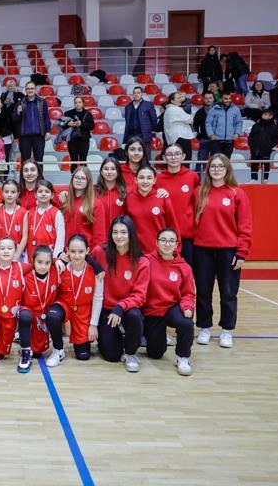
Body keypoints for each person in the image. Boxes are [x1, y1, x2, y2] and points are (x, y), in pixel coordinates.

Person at [194, 154, 253, 349]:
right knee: (203, 292)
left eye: (220, 166)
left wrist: (242, 251)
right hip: (202, 250)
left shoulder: (237, 194)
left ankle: (227, 330)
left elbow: (245, 225)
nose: (216, 169)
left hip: (228, 251)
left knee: (228, 293)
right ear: (208, 170)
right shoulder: (199, 193)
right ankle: (204, 327)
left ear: (227, 169)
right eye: (213, 166)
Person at [90, 216, 148, 372]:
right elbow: (83, 261)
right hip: (106, 309)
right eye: (115, 232)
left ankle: (130, 353)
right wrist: (63, 258)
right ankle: (118, 334)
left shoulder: (141, 261)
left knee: (135, 316)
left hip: (127, 308)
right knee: (112, 355)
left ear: (131, 234)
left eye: (123, 232)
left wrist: (121, 307)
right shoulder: (100, 252)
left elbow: (140, 295)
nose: (119, 236)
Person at [143, 228, 196, 376]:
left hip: (172, 308)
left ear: (177, 244)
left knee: (186, 323)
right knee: (155, 353)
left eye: (171, 241)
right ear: (157, 243)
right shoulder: (146, 261)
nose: (167, 244)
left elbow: (188, 293)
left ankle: (183, 357)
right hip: (152, 311)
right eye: (163, 240)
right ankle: (159, 337)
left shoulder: (184, 267)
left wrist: (188, 307)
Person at [45, 235, 104, 366]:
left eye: (81, 251)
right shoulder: (61, 268)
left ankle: (83, 342)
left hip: (83, 311)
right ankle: (58, 350)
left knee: (83, 356)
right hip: (65, 305)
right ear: (67, 251)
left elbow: (98, 298)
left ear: (87, 251)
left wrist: (93, 325)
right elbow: (43, 262)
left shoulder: (96, 272)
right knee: (53, 316)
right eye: (73, 251)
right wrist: (56, 259)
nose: (76, 256)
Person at [0, 238, 32, 366]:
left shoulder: (21, 268)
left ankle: (26, 352)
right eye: (2, 248)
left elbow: (40, 261)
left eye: (10, 248)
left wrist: (58, 260)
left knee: (3, 352)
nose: (6, 251)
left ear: (15, 252)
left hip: (12, 316)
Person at [156, 144, 200, 265]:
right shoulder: (158, 179)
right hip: (166, 234)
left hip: (187, 233)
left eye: (177, 154)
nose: (173, 157)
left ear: (183, 156)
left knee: (187, 269)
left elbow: (197, 203)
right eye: (169, 154)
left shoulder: (192, 177)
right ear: (164, 157)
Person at [17, 245, 59, 371]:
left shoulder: (55, 272)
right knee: (25, 316)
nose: (43, 266)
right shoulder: (25, 276)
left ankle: (57, 348)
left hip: (45, 315)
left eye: (47, 263)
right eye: (39, 262)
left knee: (38, 351)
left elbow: (68, 258)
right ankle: (25, 352)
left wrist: (57, 260)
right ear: (32, 261)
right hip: (29, 314)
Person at [125, 166, 180, 254]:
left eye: (149, 178)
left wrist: (176, 250)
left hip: (159, 251)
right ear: (136, 180)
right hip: (136, 251)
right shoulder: (129, 198)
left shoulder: (162, 198)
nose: (145, 181)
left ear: (154, 180)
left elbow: (172, 224)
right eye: (141, 178)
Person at [61, 167, 107, 249]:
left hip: (86, 252)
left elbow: (99, 236)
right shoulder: (65, 201)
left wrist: (94, 253)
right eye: (76, 177)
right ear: (72, 179)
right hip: (67, 251)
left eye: (83, 178)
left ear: (88, 182)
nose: (79, 180)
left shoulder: (96, 204)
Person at [12, 81, 52, 164]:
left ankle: (39, 173)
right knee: (25, 160)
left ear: (35, 90)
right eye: (28, 89)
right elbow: (14, 120)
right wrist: (18, 112)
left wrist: (48, 131)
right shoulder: (20, 102)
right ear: (25, 90)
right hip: (24, 137)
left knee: (39, 160)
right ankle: (24, 173)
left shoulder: (42, 102)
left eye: (32, 88)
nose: (30, 90)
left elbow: (46, 118)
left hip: (39, 136)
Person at [27, 180, 65, 260]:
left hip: (49, 256)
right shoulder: (29, 213)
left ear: (52, 195)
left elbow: (60, 239)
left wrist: (55, 257)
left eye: (47, 192)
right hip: (31, 255)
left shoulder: (57, 213)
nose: (43, 194)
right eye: (40, 191)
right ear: (35, 195)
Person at [0, 180, 27, 261]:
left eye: (13, 192)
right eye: (6, 192)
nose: (9, 195)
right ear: (2, 193)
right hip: (0, 254)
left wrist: (17, 255)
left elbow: (25, 236)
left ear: (18, 194)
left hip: (18, 254)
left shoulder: (24, 212)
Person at [122, 87, 158, 159]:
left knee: (146, 156)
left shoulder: (148, 105)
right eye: (134, 93)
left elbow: (153, 119)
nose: (136, 94)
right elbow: (127, 120)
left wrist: (152, 130)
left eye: (138, 93)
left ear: (142, 94)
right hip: (131, 134)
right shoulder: (128, 107)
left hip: (144, 134)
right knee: (132, 155)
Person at [95, 156, 128, 231]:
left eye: (113, 169)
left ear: (118, 172)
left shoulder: (126, 191)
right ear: (101, 172)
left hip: (119, 235)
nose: (109, 172)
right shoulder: (93, 191)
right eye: (106, 169)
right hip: (99, 233)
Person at [63, 96, 95, 172]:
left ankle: (84, 176)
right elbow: (62, 125)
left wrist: (81, 123)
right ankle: (73, 176)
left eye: (79, 102)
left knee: (83, 160)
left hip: (84, 140)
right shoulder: (68, 113)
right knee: (73, 160)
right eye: (76, 102)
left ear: (83, 103)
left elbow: (92, 126)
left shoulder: (88, 114)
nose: (77, 104)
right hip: (72, 140)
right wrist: (68, 124)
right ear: (74, 104)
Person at [206, 92, 242, 158]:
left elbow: (239, 122)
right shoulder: (213, 109)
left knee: (226, 161)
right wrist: (211, 134)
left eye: (229, 98)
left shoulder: (236, 109)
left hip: (230, 140)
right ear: (221, 99)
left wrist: (237, 133)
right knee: (216, 160)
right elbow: (208, 123)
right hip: (216, 140)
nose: (228, 100)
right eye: (226, 99)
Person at [247, 108, 278, 183]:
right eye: (265, 114)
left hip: (266, 150)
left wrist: (269, 146)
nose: (266, 116)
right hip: (255, 149)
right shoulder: (256, 125)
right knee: (254, 164)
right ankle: (254, 179)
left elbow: (276, 139)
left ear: (271, 116)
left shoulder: (274, 127)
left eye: (269, 115)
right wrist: (251, 145)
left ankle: (265, 179)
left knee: (266, 164)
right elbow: (251, 137)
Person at [163, 91, 194, 162]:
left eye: (180, 98)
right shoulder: (174, 109)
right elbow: (189, 119)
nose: (181, 99)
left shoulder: (169, 109)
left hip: (175, 137)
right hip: (180, 137)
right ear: (172, 101)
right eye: (178, 98)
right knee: (185, 160)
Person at [193, 92, 217, 172]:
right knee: (200, 161)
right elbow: (195, 126)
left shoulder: (219, 111)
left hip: (217, 140)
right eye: (206, 98)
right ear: (203, 99)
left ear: (213, 99)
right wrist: (199, 137)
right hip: (204, 140)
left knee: (216, 161)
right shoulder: (199, 112)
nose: (208, 100)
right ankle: (197, 178)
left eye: (210, 98)